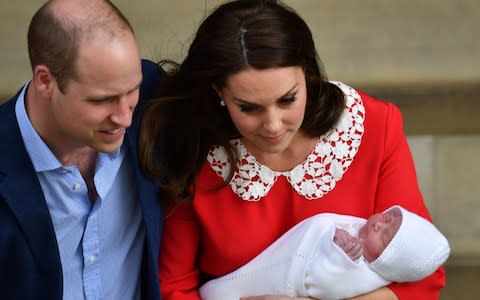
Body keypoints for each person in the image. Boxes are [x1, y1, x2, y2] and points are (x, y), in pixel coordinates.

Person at [138, 0, 446, 299]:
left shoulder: (374, 127)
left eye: (287, 99)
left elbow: (422, 278)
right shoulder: (197, 144)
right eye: (248, 108)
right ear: (219, 92)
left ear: (306, 74)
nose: (273, 125)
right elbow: (174, 287)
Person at [0, 0, 164, 299]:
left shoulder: (155, 100)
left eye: (132, 91)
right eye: (102, 100)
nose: (125, 117)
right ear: (45, 81)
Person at [198, 205, 451, 300]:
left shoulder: (363, 275)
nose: (377, 224)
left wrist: (336, 253)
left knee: (226, 291)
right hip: (232, 271)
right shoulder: (361, 230)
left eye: (385, 235)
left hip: (280, 280)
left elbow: (324, 282)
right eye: (387, 218)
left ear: (386, 263)